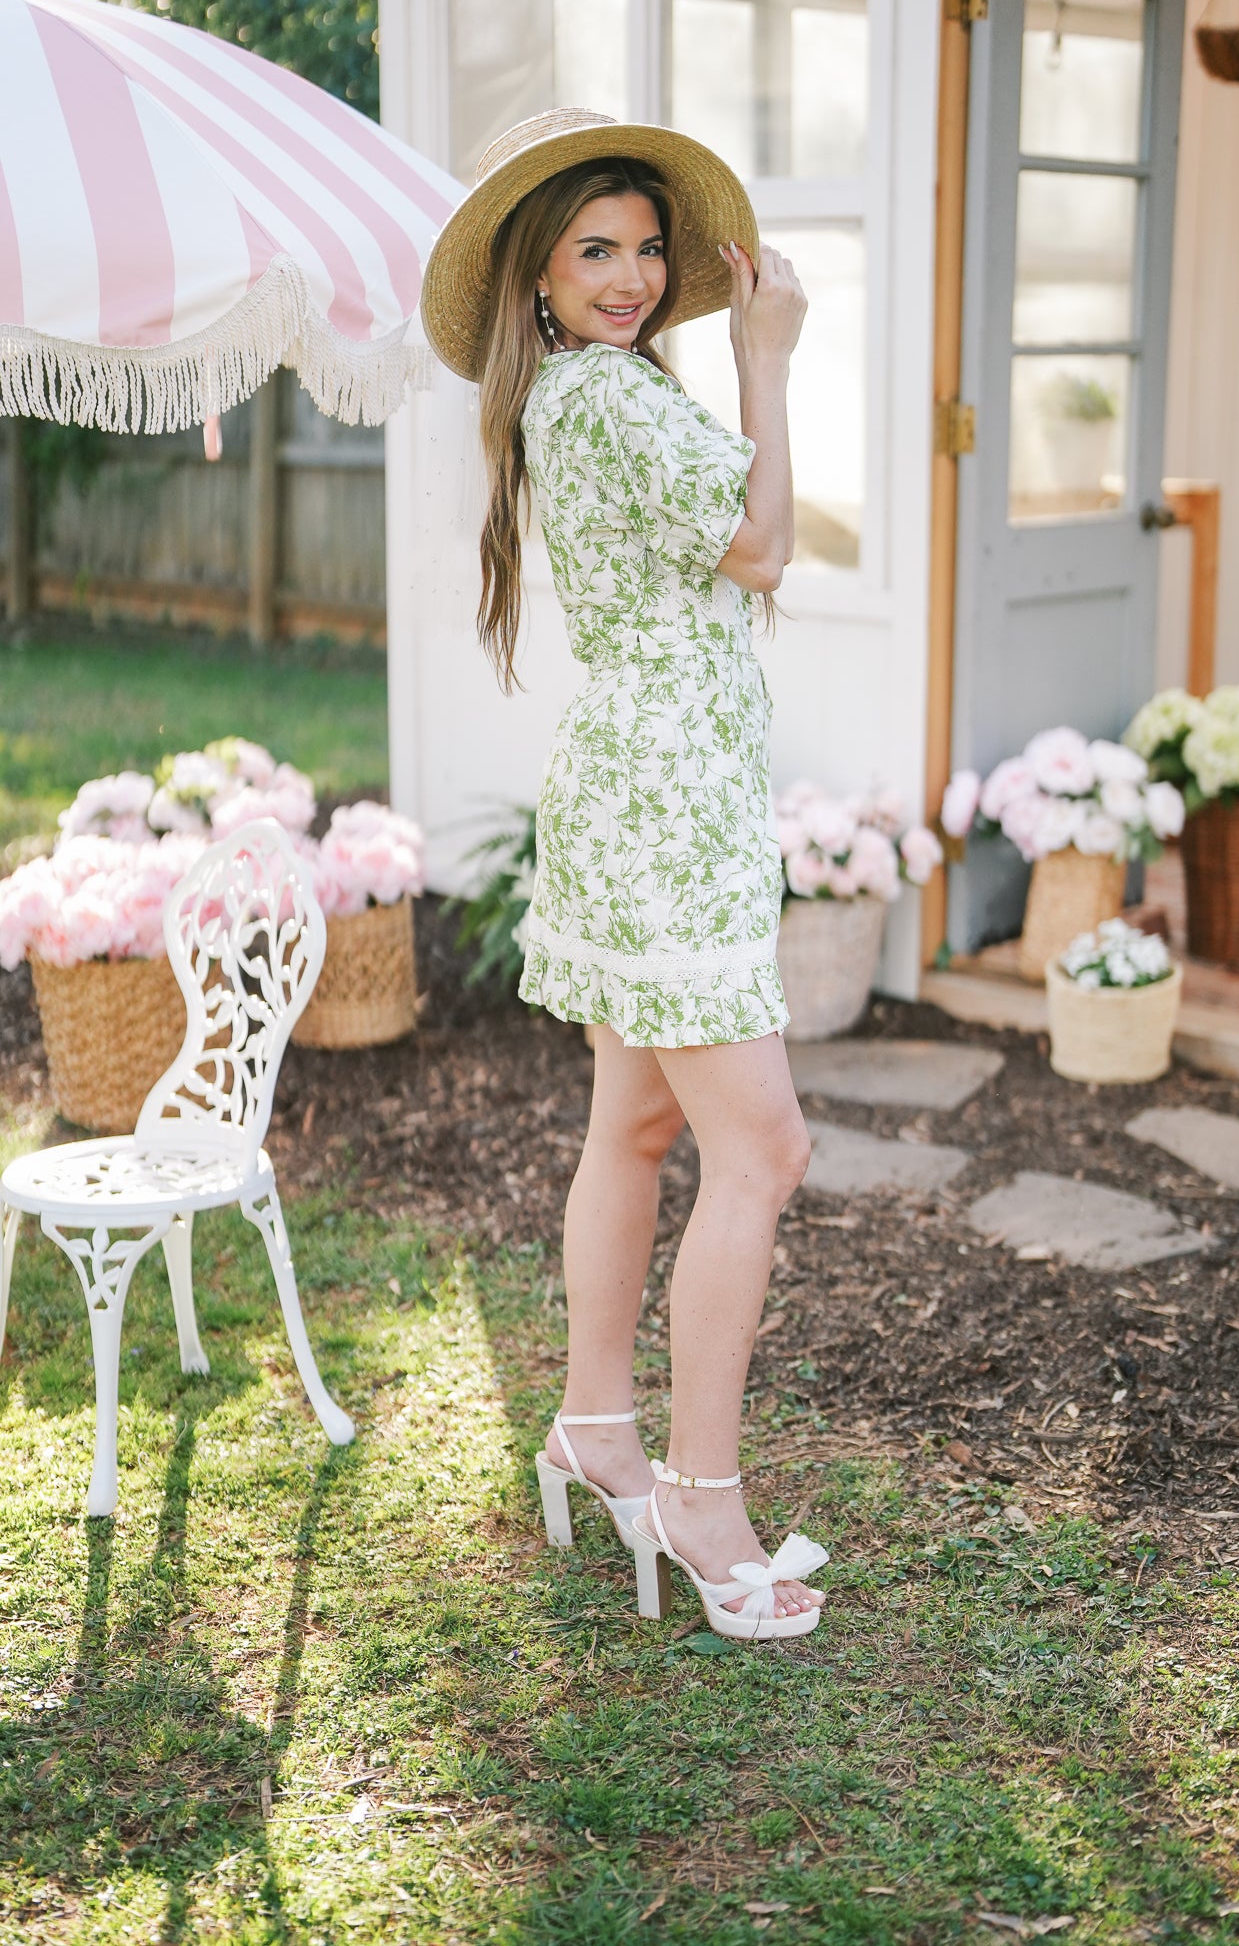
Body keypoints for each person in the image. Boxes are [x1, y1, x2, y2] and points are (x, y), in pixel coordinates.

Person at [421, 109, 828, 1641]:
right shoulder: (616, 405)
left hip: (634, 791)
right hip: (662, 806)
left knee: (640, 1122)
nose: (633, 273)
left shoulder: (579, 405)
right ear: (535, 273)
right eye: (596, 248)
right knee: (763, 1151)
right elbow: (766, 545)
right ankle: (697, 1492)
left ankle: (597, 1423)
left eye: (648, 247)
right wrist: (770, 358)